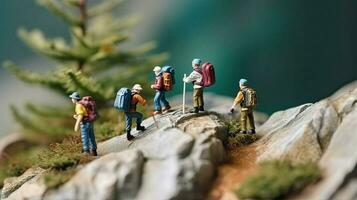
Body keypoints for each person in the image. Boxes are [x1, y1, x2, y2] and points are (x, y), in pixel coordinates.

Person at [69, 92, 97, 156]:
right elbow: (85, 114)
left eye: (72, 98)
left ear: (75, 99)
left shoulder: (78, 105)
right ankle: (94, 150)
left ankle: (86, 151)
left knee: (85, 137)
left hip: (84, 123)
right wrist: (76, 117)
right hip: (90, 122)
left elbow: (81, 116)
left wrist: (76, 124)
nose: (71, 99)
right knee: (91, 137)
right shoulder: (83, 104)